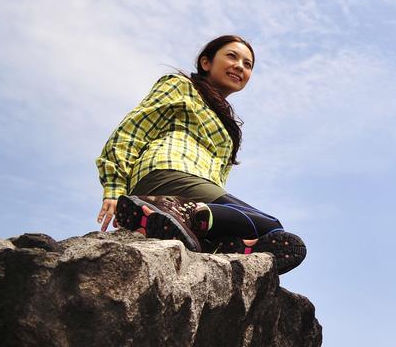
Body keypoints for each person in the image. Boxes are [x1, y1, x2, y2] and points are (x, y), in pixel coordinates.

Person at [95, 35, 306, 274]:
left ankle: (214, 239)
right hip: (167, 172)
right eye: (232, 56)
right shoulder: (180, 86)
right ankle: (178, 211)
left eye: (248, 64)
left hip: (194, 190)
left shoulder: (227, 128)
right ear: (206, 63)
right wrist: (114, 189)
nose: (240, 66)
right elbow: (132, 132)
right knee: (270, 228)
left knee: (270, 236)